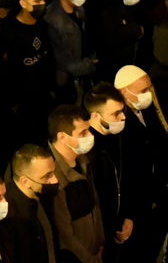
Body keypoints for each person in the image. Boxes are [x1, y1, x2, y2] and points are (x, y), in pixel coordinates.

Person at [47, 104, 103, 263]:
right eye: (83, 132)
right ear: (63, 137)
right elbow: (64, 234)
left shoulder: (84, 161)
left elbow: (95, 206)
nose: (90, 136)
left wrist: (101, 243)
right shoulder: (52, 175)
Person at [4, 143, 58, 263]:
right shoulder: (8, 214)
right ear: (25, 181)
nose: (55, 180)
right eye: (47, 176)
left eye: (54, 173)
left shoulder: (43, 195)